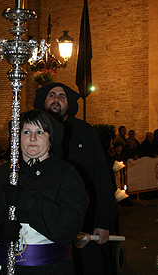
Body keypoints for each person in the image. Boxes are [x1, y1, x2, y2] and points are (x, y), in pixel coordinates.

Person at [0, 109, 88, 275]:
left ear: (51, 139)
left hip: (50, 270)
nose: (32, 138)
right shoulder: (0, 175)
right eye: (26, 132)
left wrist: (25, 202)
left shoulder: (66, 175)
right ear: (17, 137)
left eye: (40, 132)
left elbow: (69, 226)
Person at [34, 82, 117, 275]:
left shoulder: (85, 132)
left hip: (82, 220)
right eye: (52, 95)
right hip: (41, 219)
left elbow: (100, 176)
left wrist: (103, 221)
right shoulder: (31, 132)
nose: (56, 99)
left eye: (62, 97)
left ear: (69, 103)